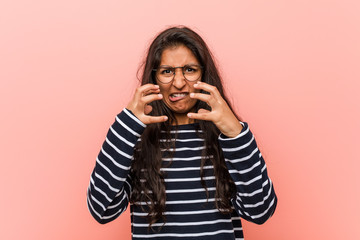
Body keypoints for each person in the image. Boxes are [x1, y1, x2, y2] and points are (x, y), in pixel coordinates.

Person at [87, 26, 277, 240]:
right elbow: (101, 209)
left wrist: (235, 132)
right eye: (167, 72)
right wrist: (126, 125)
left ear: (204, 74)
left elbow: (260, 211)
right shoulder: (135, 141)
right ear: (154, 78)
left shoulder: (229, 140)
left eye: (190, 70)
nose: (178, 83)